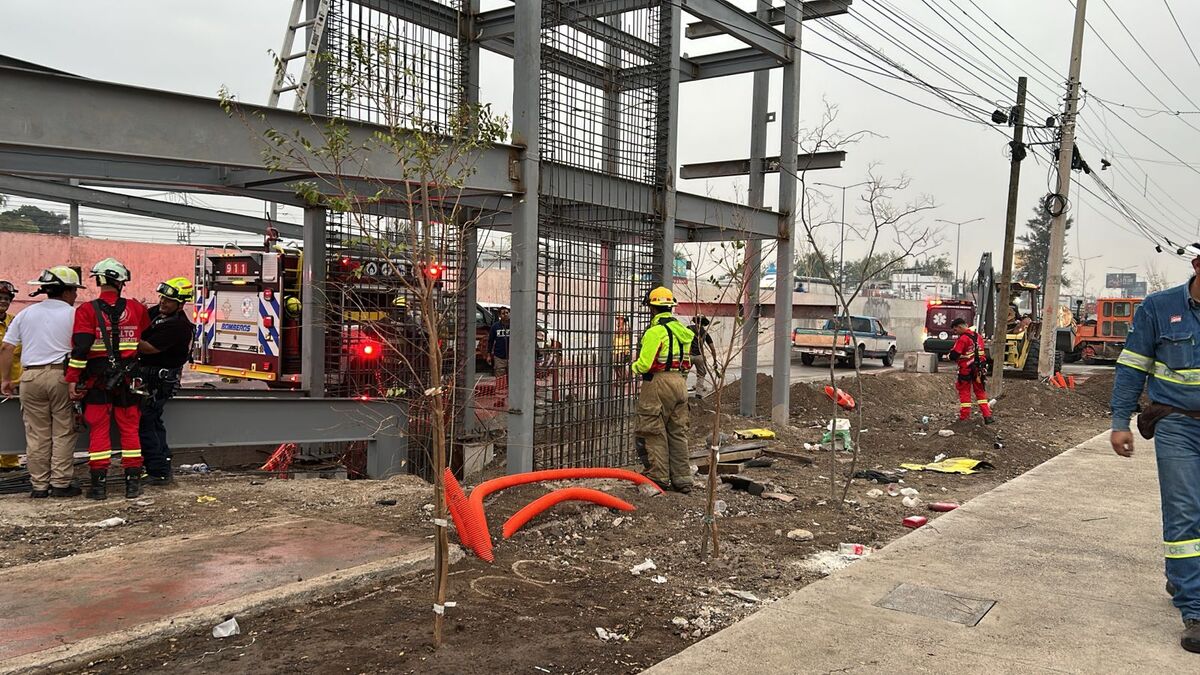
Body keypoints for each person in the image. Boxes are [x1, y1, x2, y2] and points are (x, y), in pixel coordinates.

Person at [1111, 255, 1200, 653]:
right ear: (1198, 265)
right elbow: (1132, 366)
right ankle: (1195, 609)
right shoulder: (1159, 308)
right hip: (1177, 423)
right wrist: (1120, 421)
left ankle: (1182, 576)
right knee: (1184, 509)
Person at [67, 258, 150, 500]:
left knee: (99, 431)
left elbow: (81, 349)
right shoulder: (136, 308)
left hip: (97, 381)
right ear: (121, 282)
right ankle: (133, 486)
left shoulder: (86, 311)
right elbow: (141, 333)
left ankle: (98, 488)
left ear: (99, 280)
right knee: (130, 430)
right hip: (129, 380)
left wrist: (73, 378)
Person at [0, 268, 85, 497]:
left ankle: (38, 486)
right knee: (63, 432)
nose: (76, 295)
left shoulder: (26, 314)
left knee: (37, 434)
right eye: (74, 290)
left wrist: (6, 379)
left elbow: (7, 347)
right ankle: (60, 484)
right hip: (62, 376)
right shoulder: (74, 314)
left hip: (30, 377)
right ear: (67, 291)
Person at [632, 286, 695, 493]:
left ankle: (658, 477)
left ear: (652, 307)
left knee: (653, 429)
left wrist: (632, 368)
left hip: (658, 383)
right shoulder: (684, 332)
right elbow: (686, 363)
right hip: (679, 382)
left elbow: (645, 364)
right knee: (677, 431)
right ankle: (683, 478)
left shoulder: (655, 332)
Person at [137, 277, 195, 486]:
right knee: (153, 422)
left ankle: (158, 470)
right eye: (162, 297)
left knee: (146, 423)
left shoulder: (179, 326)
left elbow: (148, 348)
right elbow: (141, 318)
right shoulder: (158, 314)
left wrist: (124, 338)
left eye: (169, 300)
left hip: (158, 382)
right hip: (150, 377)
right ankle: (161, 467)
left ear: (180, 304)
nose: (163, 302)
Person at [948, 318, 994, 424]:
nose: (955, 333)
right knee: (980, 392)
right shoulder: (978, 336)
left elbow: (954, 354)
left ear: (960, 327)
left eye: (955, 330)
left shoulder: (963, 339)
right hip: (979, 370)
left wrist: (950, 355)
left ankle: (965, 417)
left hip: (966, 370)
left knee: (964, 392)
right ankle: (987, 416)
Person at [0, 280, 22, 471]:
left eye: (7, 298)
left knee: (10, 421)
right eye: (0, 298)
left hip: (12, 382)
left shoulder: (14, 322)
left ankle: (9, 462)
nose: (3, 301)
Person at [687, 315, 717, 400]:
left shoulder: (688, 329)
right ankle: (698, 394)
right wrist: (715, 360)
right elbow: (712, 348)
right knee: (701, 375)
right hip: (699, 356)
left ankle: (680, 393)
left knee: (683, 374)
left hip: (688, 355)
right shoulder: (705, 333)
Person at [488, 307, 510, 407]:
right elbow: (490, 341)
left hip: (512, 357)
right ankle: (500, 399)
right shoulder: (495, 327)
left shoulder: (513, 325)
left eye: (507, 312)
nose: (505, 314)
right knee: (500, 379)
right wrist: (489, 354)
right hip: (499, 357)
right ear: (499, 315)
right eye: (503, 313)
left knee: (512, 379)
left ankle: (513, 399)